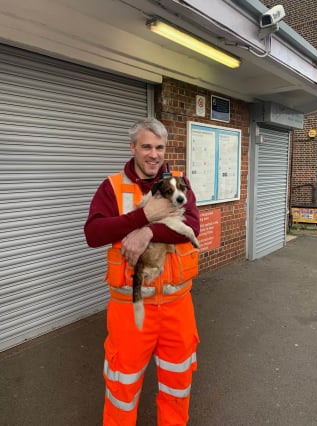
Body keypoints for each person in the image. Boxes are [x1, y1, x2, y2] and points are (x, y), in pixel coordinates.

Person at [84, 117, 200, 426]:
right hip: (130, 308)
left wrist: (149, 232)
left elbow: (193, 226)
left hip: (178, 305)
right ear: (132, 147)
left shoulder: (179, 183)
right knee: (122, 386)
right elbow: (93, 234)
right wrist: (143, 216)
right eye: (146, 146)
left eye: (159, 147)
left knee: (178, 383)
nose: (153, 154)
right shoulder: (112, 187)